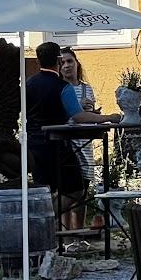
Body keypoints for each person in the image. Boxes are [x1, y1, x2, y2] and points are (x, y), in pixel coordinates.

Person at [25, 42, 118, 220]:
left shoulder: (29, 83)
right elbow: (79, 117)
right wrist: (108, 117)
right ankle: (44, 217)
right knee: (76, 189)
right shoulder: (63, 87)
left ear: (38, 61)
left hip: (33, 145)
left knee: (44, 190)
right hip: (56, 145)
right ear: (58, 60)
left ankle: (45, 230)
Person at [58, 47, 98, 233]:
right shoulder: (60, 89)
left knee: (83, 192)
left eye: (69, 61)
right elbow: (61, 116)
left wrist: (92, 113)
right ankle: (66, 235)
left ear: (76, 63)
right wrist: (77, 108)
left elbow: (88, 114)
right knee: (67, 192)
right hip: (68, 145)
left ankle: (79, 234)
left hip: (86, 143)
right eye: (62, 62)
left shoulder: (86, 88)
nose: (66, 66)